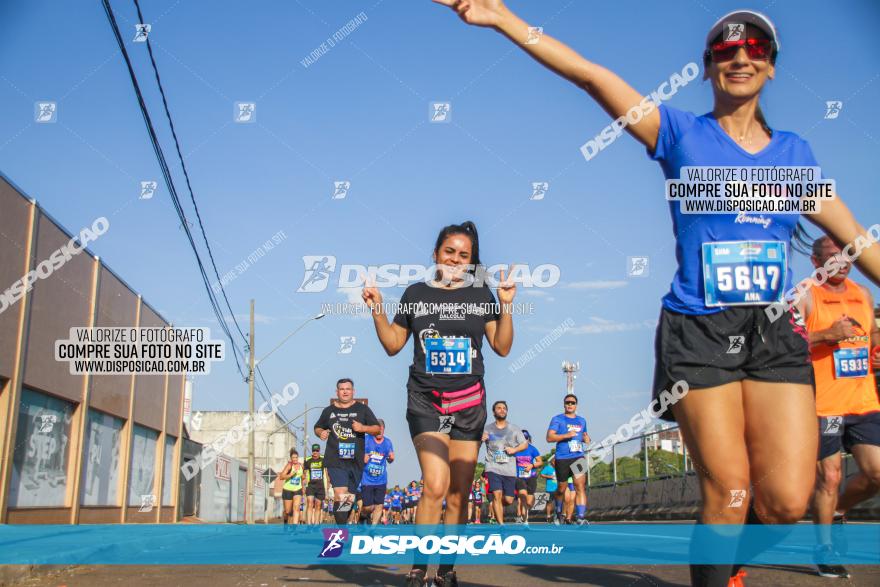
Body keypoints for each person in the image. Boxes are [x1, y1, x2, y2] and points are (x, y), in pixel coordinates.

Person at [432, 3, 880, 585]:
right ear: (707, 66)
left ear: (771, 67)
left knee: (786, 503)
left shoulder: (794, 156)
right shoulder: (680, 133)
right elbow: (590, 74)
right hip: (699, 330)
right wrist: (500, 17)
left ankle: (726, 565)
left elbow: (857, 241)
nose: (740, 57)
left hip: (772, 332)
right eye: (725, 49)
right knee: (729, 491)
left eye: (755, 50)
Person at [364, 220, 516, 587]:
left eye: (464, 256)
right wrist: (377, 309)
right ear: (436, 254)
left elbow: (502, 346)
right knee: (434, 484)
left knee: (459, 492)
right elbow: (392, 344)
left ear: (471, 262)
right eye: (449, 252)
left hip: (468, 404)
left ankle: (446, 570)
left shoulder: (482, 295)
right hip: (426, 401)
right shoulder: (415, 293)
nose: (455, 260)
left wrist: (507, 306)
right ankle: (419, 568)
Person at [798, 236, 880, 578]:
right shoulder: (804, 293)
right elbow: (781, 344)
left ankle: (840, 510)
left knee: (877, 473)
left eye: (847, 255)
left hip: (863, 399)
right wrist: (825, 334)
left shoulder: (862, 293)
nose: (842, 262)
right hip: (823, 404)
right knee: (829, 478)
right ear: (816, 262)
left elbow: (872, 331)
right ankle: (825, 549)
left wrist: (875, 348)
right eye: (832, 257)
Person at [314, 378, 382, 525]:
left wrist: (363, 428)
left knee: (348, 499)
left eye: (348, 389)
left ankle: (346, 524)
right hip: (335, 460)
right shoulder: (329, 411)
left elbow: (376, 428)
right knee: (340, 494)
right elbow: (317, 427)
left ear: (353, 391)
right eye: (342, 389)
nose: (345, 391)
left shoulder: (362, 409)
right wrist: (320, 433)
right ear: (337, 392)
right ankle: (340, 533)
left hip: (355, 462)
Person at [547, 394, 590, 525]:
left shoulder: (582, 420)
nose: (570, 405)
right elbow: (549, 438)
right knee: (561, 488)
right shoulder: (557, 419)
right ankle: (559, 512)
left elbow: (584, 436)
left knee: (580, 486)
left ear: (576, 405)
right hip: (562, 458)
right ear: (564, 404)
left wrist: (586, 439)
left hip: (578, 456)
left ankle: (581, 517)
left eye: (572, 403)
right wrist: (566, 435)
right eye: (567, 403)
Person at [482, 401, 528, 525]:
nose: (502, 410)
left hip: (509, 468)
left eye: (504, 408)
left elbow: (524, 444)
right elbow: (478, 441)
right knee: (497, 495)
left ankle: (496, 505)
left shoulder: (514, 428)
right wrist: (481, 439)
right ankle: (501, 525)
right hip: (493, 466)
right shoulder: (487, 428)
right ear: (494, 412)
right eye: (499, 408)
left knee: (508, 499)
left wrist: (515, 449)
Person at [361, 420, 395, 525]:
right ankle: (363, 515)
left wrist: (391, 458)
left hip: (381, 479)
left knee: (379, 505)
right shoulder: (366, 440)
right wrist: (362, 457)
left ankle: (373, 529)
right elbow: (357, 454)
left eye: (381, 429)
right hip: (367, 479)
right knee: (368, 507)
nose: (380, 431)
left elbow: (390, 457)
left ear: (384, 429)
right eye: (377, 429)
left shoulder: (388, 442)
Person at [514, 429, 543, 525]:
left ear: (528, 439)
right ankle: (525, 519)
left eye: (525, 438)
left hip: (531, 477)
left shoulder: (532, 449)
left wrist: (532, 465)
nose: (524, 441)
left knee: (529, 502)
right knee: (522, 496)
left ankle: (525, 511)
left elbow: (540, 462)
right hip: (519, 477)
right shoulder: (515, 450)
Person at [279, 449, 305, 530]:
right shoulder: (289, 466)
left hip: (297, 490)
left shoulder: (301, 466)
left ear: (298, 458)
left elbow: (302, 477)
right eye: (293, 458)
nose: (295, 459)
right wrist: (290, 474)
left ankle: (294, 529)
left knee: (296, 508)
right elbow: (281, 477)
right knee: (287, 511)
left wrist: (303, 487)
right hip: (288, 490)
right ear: (291, 458)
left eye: (296, 457)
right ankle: (285, 522)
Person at [304, 444, 328, 525]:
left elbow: (327, 473)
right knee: (310, 503)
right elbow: (304, 474)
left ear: (319, 451)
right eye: (314, 450)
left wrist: (327, 486)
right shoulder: (307, 460)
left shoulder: (323, 459)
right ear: (312, 451)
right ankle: (309, 524)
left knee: (318, 505)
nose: (315, 452)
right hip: (310, 485)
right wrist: (303, 485)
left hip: (320, 486)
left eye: (317, 451)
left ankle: (317, 524)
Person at [539, 457, 558, 523]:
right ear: (552, 462)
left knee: (559, 503)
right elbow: (541, 474)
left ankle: (557, 516)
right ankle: (548, 516)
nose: (556, 463)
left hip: (558, 489)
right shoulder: (548, 468)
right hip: (550, 489)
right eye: (555, 462)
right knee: (549, 503)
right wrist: (549, 477)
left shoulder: (560, 468)